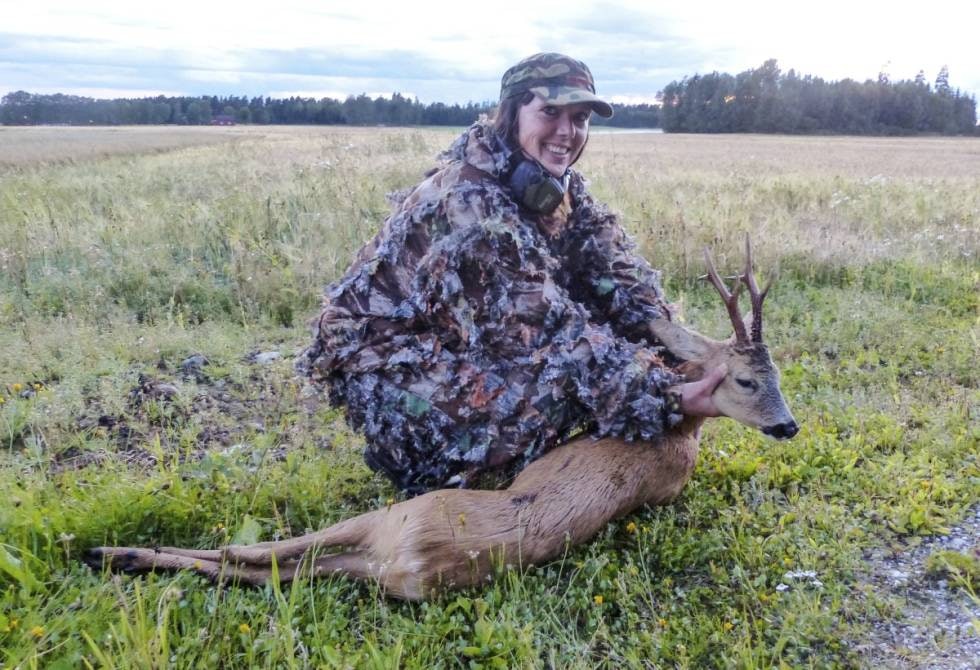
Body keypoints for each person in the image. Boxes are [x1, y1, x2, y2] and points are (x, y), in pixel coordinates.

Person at [297, 53, 725, 495]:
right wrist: (668, 395)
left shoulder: (556, 185)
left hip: (453, 335)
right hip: (384, 359)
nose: (567, 131)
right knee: (545, 396)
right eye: (550, 112)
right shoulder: (469, 201)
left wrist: (679, 347)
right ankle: (435, 470)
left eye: (579, 118)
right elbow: (545, 335)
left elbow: (618, 278)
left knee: (597, 356)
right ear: (510, 114)